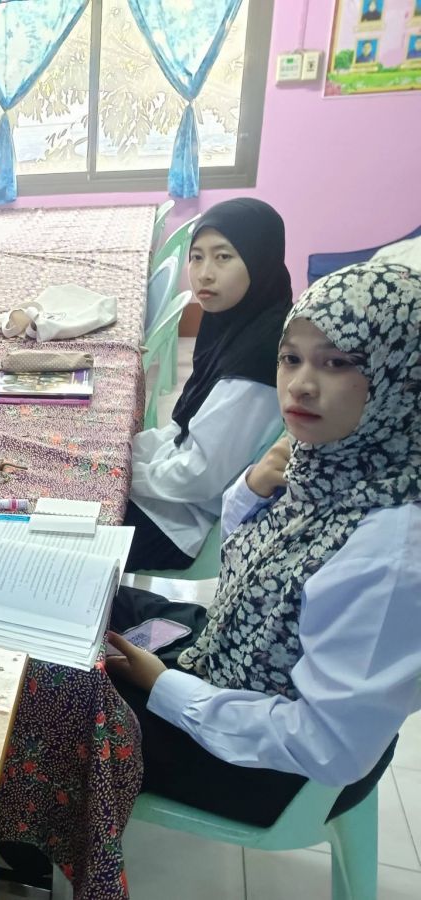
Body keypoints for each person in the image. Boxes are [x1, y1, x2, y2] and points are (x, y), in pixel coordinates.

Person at [107, 261, 421, 826]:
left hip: (277, 767)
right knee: (96, 599)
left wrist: (166, 687)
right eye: (291, 358)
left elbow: (329, 745)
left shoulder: (392, 551)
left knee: (51, 697)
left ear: (403, 376)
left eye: (337, 362)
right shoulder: (342, 458)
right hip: (234, 666)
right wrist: (250, 490)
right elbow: (249, 574)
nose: (301, 384)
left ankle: (20, 846)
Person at [124, 198, 291, 571]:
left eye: (223, 257)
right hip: (168, 495)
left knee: (53, 523)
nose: (204, 274)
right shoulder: (237, 321)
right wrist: (125, 454)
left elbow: (199, 476)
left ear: (260, 259)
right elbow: (183, 428)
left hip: (176, 526)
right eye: (196, 258)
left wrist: (123, 474)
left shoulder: (257, 360)